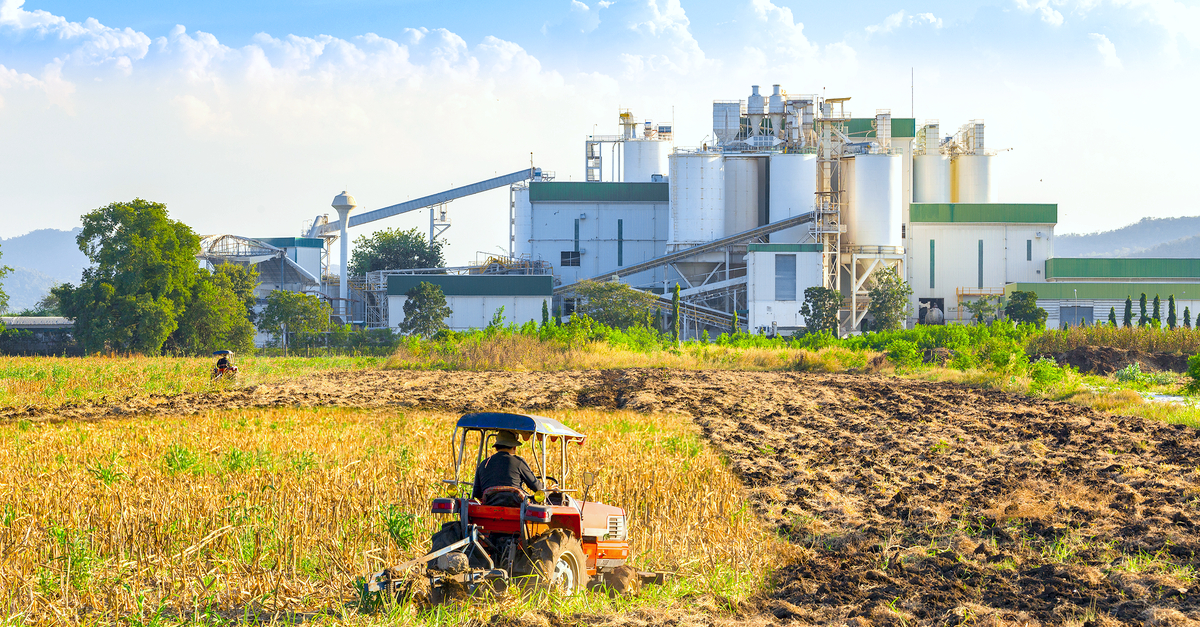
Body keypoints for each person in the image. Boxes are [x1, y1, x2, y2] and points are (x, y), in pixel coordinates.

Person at [471, 430, 543, 505]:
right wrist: (548, 490)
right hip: (517, 512)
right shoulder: (519, 461)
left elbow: (477, 493)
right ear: (514, 447)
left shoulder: (484, 464)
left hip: (489, 511)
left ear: (496, 448)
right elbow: (537, 488)